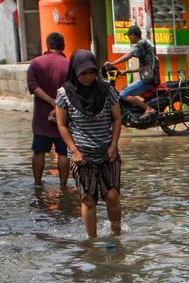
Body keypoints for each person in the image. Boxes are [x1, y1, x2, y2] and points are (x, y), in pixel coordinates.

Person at [55, 50, 123, 238]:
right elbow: (62, 125)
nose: (88, 77)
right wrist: (74, 151)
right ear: (75, 72)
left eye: (92, 72)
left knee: (112, 196)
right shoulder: (64, 93)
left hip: (107, 150)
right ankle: (92, 240)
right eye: (83, 73)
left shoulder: (107, 90)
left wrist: (113, 145)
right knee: (89, 200)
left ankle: (116, 234)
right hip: (82, 154)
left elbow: (117, 118)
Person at [27, 32, 70, 189]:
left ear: (47, 45)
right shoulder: (68, 64)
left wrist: (51, 103)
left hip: (41, 117)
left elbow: (33, 87)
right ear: (63, 46)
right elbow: (71, 90)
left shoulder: (36, 64)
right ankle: (64, 186)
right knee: (64, 152)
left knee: (39, 151)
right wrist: (58, 105)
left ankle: (38, 184)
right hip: (64, 116)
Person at [107, 25, 158, 117]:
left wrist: (112, 63)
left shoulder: (141, 44)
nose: (128, 38)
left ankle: (148, 108)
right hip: (150, 77)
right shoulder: (146, 43)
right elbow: (143, 68)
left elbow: (128, 55)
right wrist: (125, 71)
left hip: (149, 80)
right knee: (125, 89)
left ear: (133, 35)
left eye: (129, 35)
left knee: (123, 94)